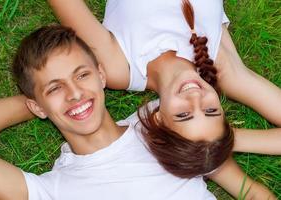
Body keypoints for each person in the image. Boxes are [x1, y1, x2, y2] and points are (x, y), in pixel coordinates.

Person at [0, 25, 275, 200]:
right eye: (55, 88)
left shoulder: (162, 123)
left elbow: (249, 192)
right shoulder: (51, 190)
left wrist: (52, 101)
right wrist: (40, 104)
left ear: (102, 76)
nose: (74, 93)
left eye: (82, 75)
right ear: (36, 105)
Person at [47, 0, 281, 177]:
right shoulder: (224, 69)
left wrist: (207, 140)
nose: (196, 98)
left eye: (183, 115)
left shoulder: (121, 67)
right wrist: (218, 142)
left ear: (157, 119)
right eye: (211, 112)